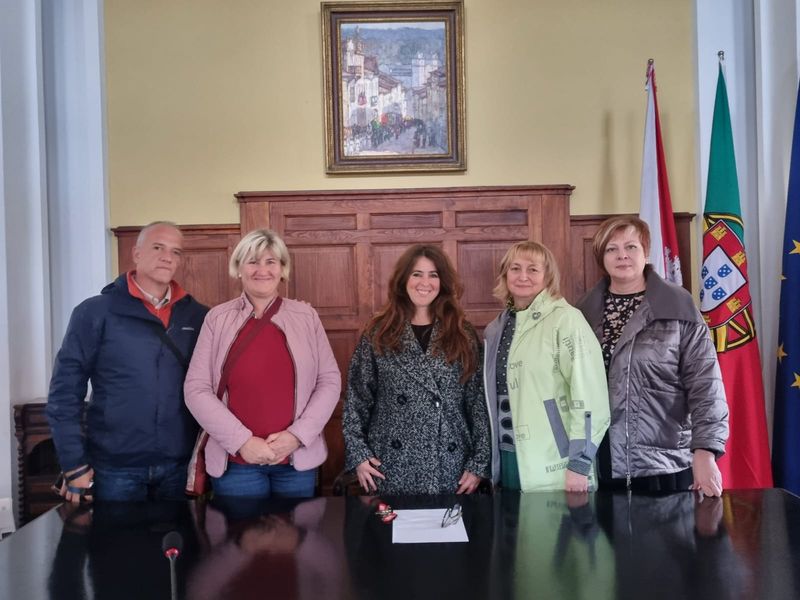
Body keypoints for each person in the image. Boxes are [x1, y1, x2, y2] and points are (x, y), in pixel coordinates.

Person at [47, 221, 209, 502]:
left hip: (179, 465)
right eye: (158, 247)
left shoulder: (199, 316)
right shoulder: (94, 312)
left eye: (176, 252)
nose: (167, 257)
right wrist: (73, 464)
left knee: (179, 532)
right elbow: (65, 393)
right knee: (114, 533)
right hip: (113, 467)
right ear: (136, 253)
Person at [576, 216, 728, 495]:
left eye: (631, 247)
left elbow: (706, 386)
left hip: (664, 463)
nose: (622, 255)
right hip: (598, 462)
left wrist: (706, 451)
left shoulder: (678, 306)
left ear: (645, 252)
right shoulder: (582, 312)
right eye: (611, 249)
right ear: (601, 257)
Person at [184, 228, 340, 499]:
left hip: (295, 461)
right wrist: (242, 441)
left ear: (282, 269)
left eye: (271, 261)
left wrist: (297, 436)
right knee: (241, 527)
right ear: (238, 268)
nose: (262, 270)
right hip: (236, 463)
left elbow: (329, 381)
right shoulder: (217, 319)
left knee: (297, 528)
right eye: (253, 261)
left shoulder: (306, 316)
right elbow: (196, 389)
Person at [343, 244, 490, 495]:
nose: (425, 283)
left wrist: (478, 463)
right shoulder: (378, 332)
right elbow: (356, 399)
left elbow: (478, 402)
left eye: (433, 275)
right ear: (403, 280)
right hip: (390, 463)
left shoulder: (461, 333)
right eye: (417, 274)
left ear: (443, 282)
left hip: (451, 463)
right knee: (395, 521)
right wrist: (358, 454)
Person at [483, 241, 610, 492]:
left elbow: (591, 397)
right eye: (515, 268)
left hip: (557, 463)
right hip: (506, 459)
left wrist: (580, 463)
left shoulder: (566, 320)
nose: (523, 276)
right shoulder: (495, 328)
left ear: (548, 276)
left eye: (533, 269)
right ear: (505, 274)